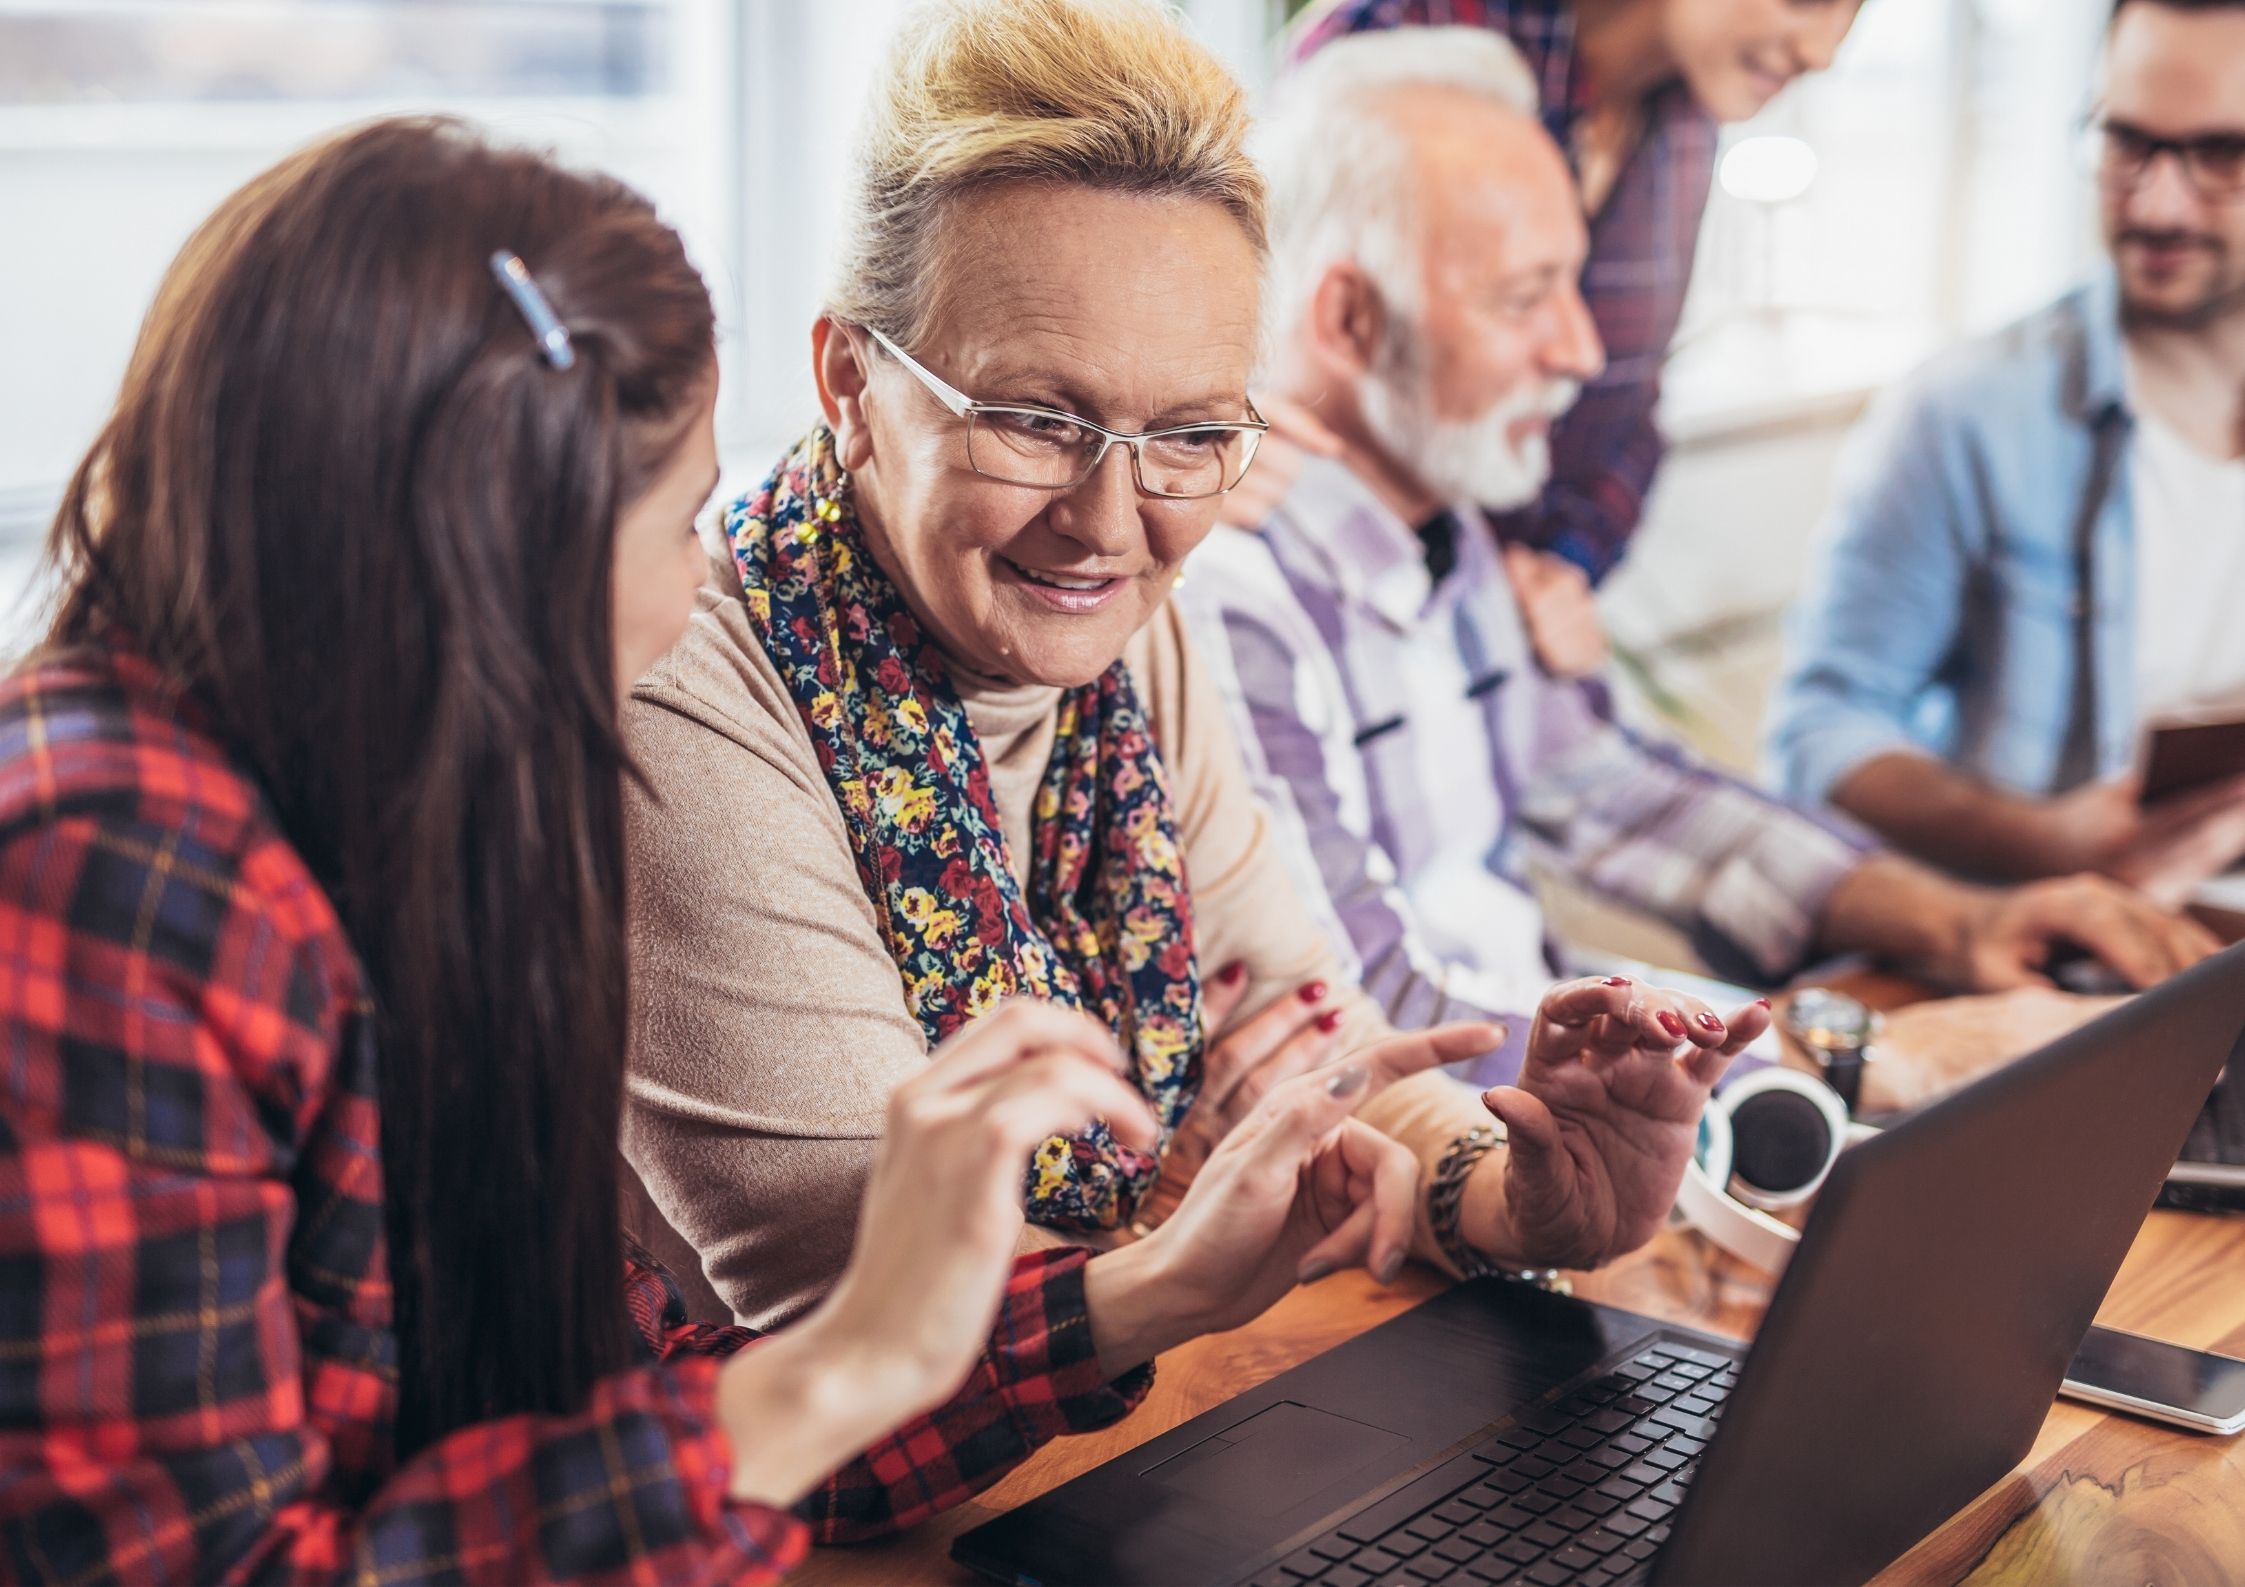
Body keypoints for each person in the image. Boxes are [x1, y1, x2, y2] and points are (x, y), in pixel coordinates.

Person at [0, 116, 1715, 1585]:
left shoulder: (386, 826)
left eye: (1189, 430)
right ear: (478, 557)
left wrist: (1140, 1293)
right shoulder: (110, 868)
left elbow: (649, 1411)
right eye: (673, 522)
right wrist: (868, 1352)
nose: (692, 582)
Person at [620, 0, 1766, 1332]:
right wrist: (1178, 1233)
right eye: (1035, 421)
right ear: (849, 382)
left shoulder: (1128, 641)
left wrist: (1523, 1193)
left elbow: (1311, 1042)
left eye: (1189, 433)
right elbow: (857, 1312)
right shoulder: (688, 709)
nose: (1110, 523)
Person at [1173, 26, 2215, 1113]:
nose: (1582, 351)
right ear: (1346, 317)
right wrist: (1843, 1063)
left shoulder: (1457, 537)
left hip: (1559, 1131)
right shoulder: (1232, 608)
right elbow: (1376, 1023)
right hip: (1435, 1176)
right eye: (1525, 297)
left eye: (1576, 284)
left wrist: (1962, 923)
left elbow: (1624, 797)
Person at [1767, 0, 2245, 909]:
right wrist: (2046, 843)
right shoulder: (1968, 411)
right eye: (2125, 142)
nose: (2157, 202)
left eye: (2222, 154)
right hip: (2057, 949)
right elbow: (1817, 732)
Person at [1226, 0, 1867, 595]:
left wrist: (1566, 568)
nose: (1824, 51)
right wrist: (1202, 438)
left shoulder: (1689, 126)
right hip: (1340, 587)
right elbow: (1244, 327)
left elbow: (1632, 398)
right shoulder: (1414, 31)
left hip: (1501, 620)